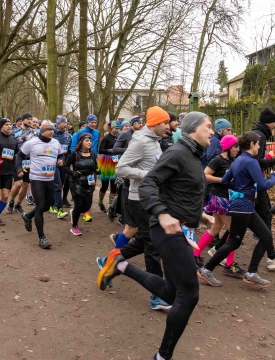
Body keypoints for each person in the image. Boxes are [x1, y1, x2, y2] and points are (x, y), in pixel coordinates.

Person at [97, 112, 216, 360]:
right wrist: (162, 214)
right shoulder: (177, 153)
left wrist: (200, 215)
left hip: (180, 227)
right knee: (189, 294)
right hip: (167, 229)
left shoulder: (192, 156)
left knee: (172, 293)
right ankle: (163, 356)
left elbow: (181, 190)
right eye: (208, 127)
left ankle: (119, 264)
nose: (213, 132)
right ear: (193, 129)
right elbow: (150, 182)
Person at [97, 106, 171, 310]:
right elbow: (120, 168)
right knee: (152, 246)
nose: (168, 126)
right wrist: (146, 175)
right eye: (165, 122)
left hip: (151, 198)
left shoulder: (155, 141)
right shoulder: (139, 141)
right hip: (138, 199)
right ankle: (158, 296)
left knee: (144, 241)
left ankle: (108, 261)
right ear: (155, 123)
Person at [199, 131, 275, 288]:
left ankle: (250, 273)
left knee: (263, 237)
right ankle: (207, 269)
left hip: (242, 205)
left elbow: (224, 180)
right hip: (243, 206)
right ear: (251, 144)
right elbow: (263, 185)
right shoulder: (250, 162)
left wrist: (238, 189)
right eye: (257, 144)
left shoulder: (238, 160)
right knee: (236, 241)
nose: (258, 146)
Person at [194, 134, 245, 278]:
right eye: (236, 147)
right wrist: (223, 179)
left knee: (216, 228)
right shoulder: (217, 160)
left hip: (226, 197)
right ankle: (229, 265)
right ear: (228, 147)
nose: (238, 149)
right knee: (233, 231)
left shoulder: (233, 160)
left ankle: (195, 254)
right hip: (219, 198)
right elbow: (205, 175)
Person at [16, 121, 64, 249]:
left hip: (50, 178)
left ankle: (27, 216)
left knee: (48, 205)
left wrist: (61, 160)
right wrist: (19, 169)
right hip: (36, 178)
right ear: (42, 131)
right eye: (49, 129)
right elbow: (19, 156)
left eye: (53, 129)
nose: (52, 131)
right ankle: (42, 237)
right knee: (40, 205)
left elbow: (60, 154)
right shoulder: (32, 142)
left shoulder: (55, 143)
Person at [251, 108, 275, 233]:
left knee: (250, 216)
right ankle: (265, 242)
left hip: (255, 180)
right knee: (265, 214)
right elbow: (256, 161)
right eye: (273, 122)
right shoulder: (260, 136)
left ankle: (267, 246)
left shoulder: (257, 133)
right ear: (267, 122)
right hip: (257, 181)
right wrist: (274, 161)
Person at [64, 133, 97, 235]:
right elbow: (65, 166)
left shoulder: (92, 154)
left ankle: (74, 212)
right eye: (87, 141)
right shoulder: (75, 154)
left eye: (90, 141)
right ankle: (74, 226)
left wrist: (97, 170)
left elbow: (94, 167)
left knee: (87, 207)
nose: (89, 143)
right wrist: (74, 173)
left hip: (89, 183)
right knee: (79, 205)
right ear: (81, 142)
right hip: (77, 183)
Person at [69, 114, 100, 221]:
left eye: (95, 122)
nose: (94, 124)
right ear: (87, 122)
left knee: (90, 187)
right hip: (80, 162)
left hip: (92, 161)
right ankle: (79, 210)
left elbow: (96, 147)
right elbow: (73, 147)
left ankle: (86, 211)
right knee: (81, 186)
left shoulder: (97, 133)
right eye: (92, 122)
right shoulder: (79, 133)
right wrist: (78, 159)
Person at [0, 118, 18, 225]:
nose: (9, 126)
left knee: (5, 196)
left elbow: (16, 154)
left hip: (9, 171)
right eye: (6, 124)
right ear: (1, 126)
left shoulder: (14, 140)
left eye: (10, 124)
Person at [7, 112, 35, 214]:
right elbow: (9, 144)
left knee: (25, 184)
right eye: (28, 119)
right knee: (18, 183)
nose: (30, 121)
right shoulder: (14, 132)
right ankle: (11, 200)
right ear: (22, 120)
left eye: (31, 119)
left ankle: (18, 204)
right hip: (17, 159)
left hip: (29, 161)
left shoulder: (34, 132)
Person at [49, 115, 72, 218]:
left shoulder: (68, 135)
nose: (65, 125)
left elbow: (69, 150)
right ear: (58, 123)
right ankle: (58, 207)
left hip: (64, 163)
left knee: (61, 184)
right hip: (53, 163)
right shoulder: (52, 134)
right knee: (57, 185)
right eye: (64, 123)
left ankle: (52, 204)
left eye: (66, 123)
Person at [97, 120, 121, 213]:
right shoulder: (106, 138)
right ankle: (100, 202)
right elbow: (100, 150)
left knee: (114, 185)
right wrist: (110, 151)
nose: (118, 130)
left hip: (116, 162)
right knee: (104, 185)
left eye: (119, 128)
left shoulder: (119, 137)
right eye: (116, 128)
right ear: (111, 128)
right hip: (106, 162)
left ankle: (111, 206)